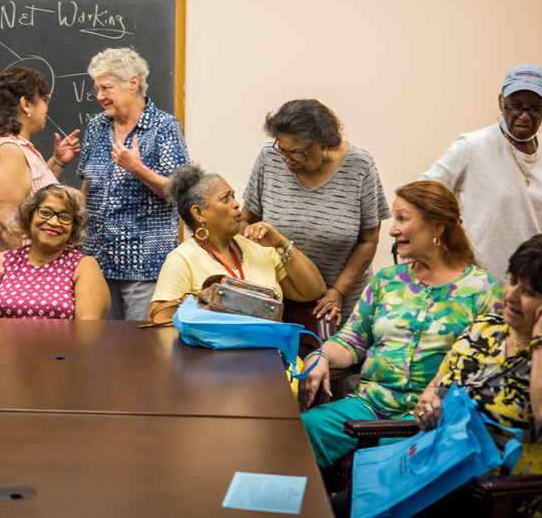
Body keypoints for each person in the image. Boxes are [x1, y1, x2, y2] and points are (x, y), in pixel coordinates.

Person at [299, 181, 502, 468]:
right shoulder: (386, 280)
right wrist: (319, 356)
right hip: (366, 406)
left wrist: (442, 394)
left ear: (437, 226)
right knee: (297, 433)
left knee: (387, 459)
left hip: (429, 419)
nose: (393, 230)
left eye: (402, 219)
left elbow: (488, 369)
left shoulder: (483, 290)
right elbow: (351, 342)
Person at [412, 235, 542, 518]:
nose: (510, 295)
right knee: (347, 506)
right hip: (443, 472)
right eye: (512, 280)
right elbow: (436, 386)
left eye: (530, 292)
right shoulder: (484, 330)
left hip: (507, 499)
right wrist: (427, 404)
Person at [421, 64, 542, 282]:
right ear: (501, 102)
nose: (524, 116)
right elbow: (423, 193)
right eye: (515, 106)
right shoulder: (472, 146)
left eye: (535, 109)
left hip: (532, 281)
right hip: (474, 281)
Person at [241, 99, 390, 325]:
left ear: (324, 143)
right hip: (279, 302)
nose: (288, 160)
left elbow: (369, 240)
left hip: (340, 305)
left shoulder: (360, 165)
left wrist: (338, 292)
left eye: (298, 153)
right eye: (283, 150)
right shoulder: (269, 158)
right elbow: (246, 221)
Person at [76, 47, 188, 320]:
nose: (100, 96)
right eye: (97, 89)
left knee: (140, 348)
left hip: (144, 264)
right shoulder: (97, 127)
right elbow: (87, 185)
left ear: (132, 84)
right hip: (97, 259)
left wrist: (137, 169)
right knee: (100, 344)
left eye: (106, 87)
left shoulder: (164, 127)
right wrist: (77, 231)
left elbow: (179, 192)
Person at [148, 164, 326, 321]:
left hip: (268, 352)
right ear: (199, 213)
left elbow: (313, 291)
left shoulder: (259, 248)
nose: (236, 204)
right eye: (225, 199)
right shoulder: (182, 259)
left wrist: (281, 243)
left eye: (233, 196)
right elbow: (157, 319)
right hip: (212, 355)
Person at [0, 67, 80, 285]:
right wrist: (17, 284)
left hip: (13, 266)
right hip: (10, 272)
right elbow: (6, 225)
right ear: (26, 104)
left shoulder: (10, 144)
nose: (46, 107)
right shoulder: (9, 150)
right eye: (44, 100)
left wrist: (56, 162)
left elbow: (31, 197)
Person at [0, 184, 110, 319]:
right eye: (45, 212)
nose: (54, 222)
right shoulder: (1, 261)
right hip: (0, 346)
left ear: (73, 227)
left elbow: (87, 332)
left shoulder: (84, 266)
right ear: (29, 217)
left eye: (65, 217)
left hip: (60, 347)